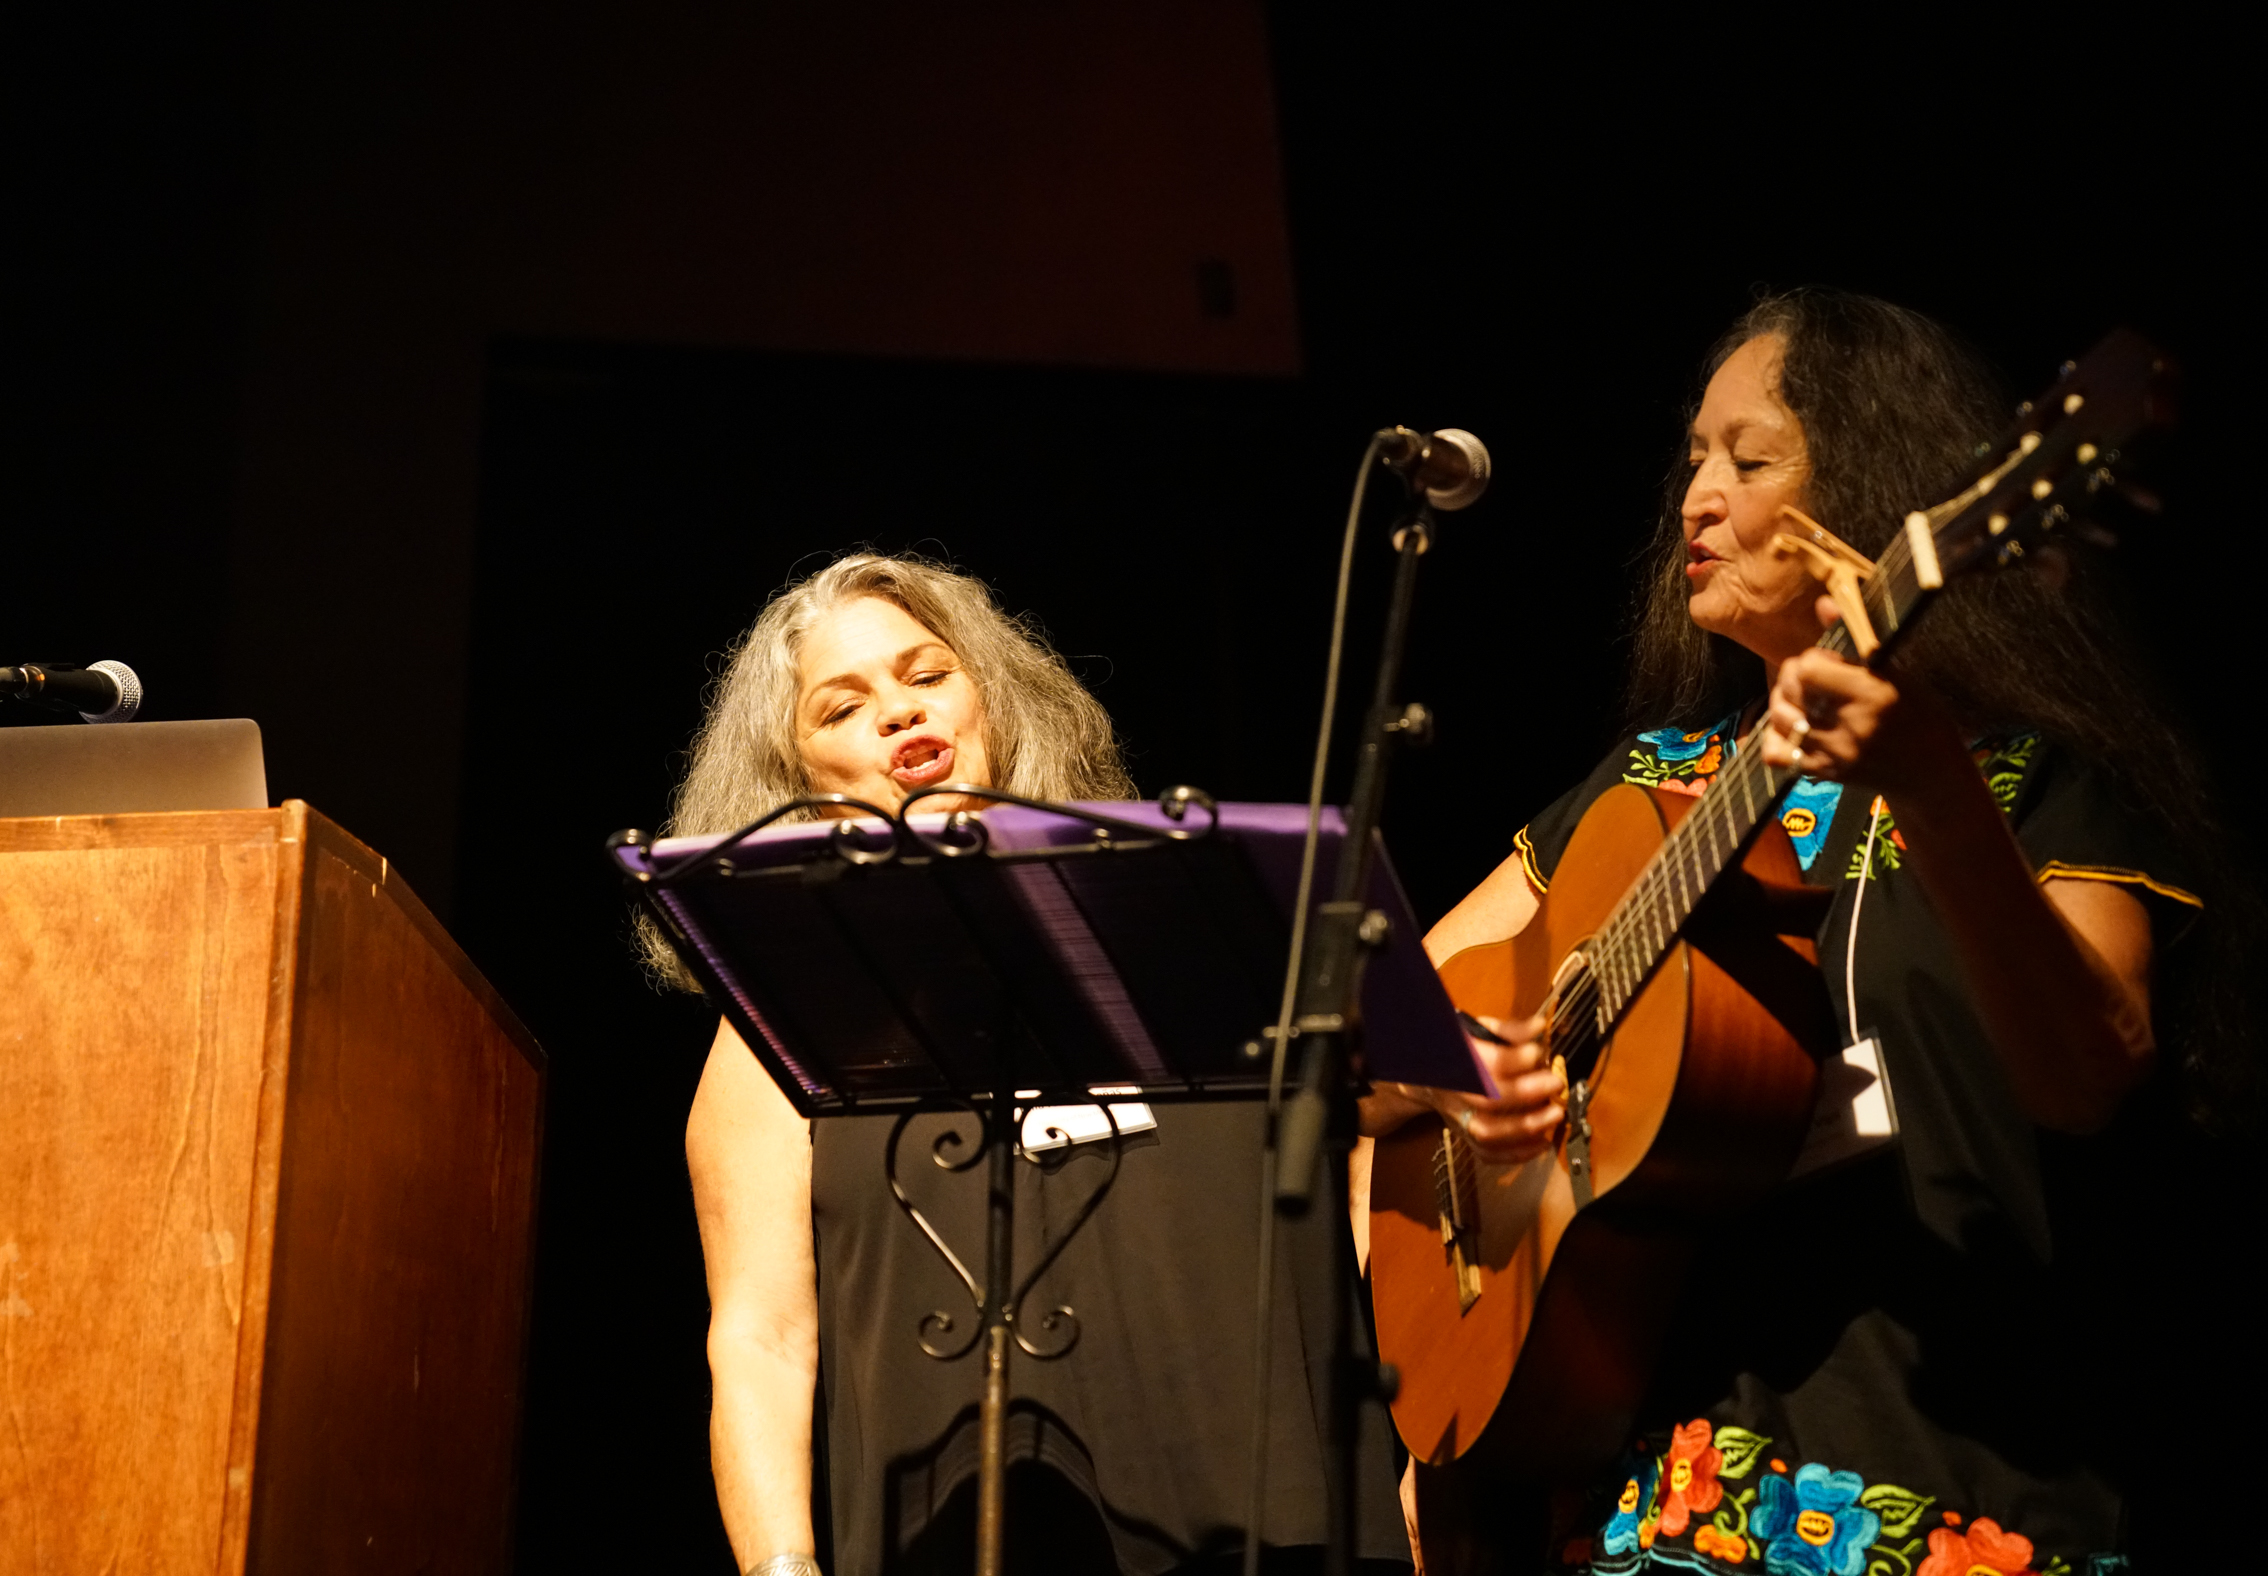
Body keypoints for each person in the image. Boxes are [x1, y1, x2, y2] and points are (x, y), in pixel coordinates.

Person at [1360, 290, 2232, 1574]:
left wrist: (1931, 787)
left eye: (1749, 459)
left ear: (1877, 492)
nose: (1695, 500)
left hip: (1958, 1487)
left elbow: (2093, 1069)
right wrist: (1463, 1070)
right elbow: (1375, 1022)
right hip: (1652, 1493)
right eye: (1695, 458)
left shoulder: (2026, 783)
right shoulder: (1653, 786)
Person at [644, 552, 1410, 1576]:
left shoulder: (1197, 913)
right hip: (955, 1530)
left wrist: (1427, 1460)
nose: (898, 713)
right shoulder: (780, 1015)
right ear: (797, 781)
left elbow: (1362, 1184)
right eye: (842, 706)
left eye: (926, 674)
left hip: (1274, 1517)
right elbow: (762, 1336)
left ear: (990, 698)